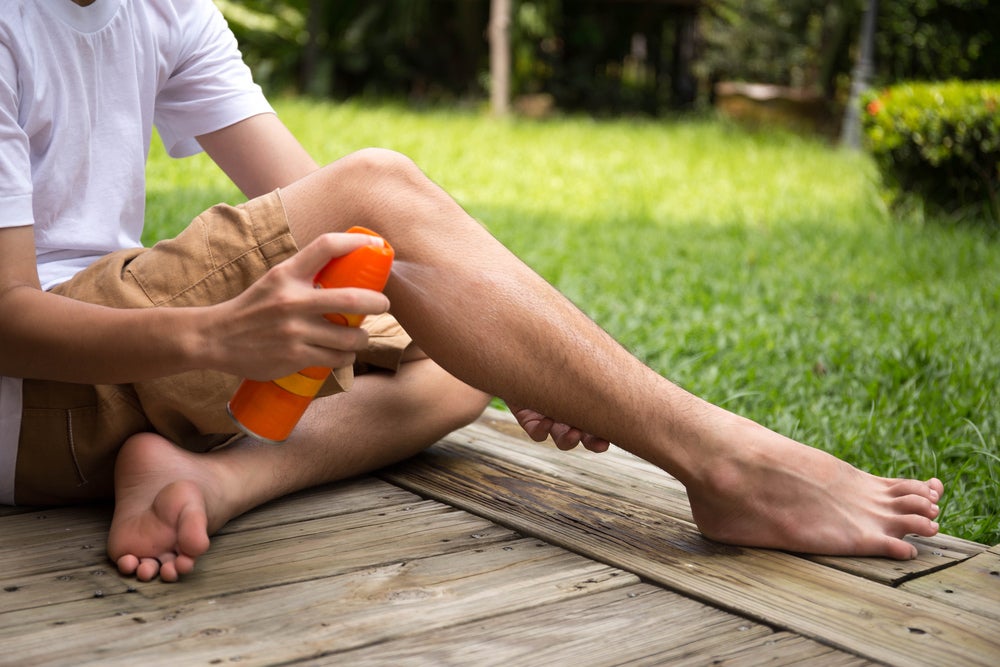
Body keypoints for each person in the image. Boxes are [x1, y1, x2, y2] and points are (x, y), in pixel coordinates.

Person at [0, 0, 943, 583]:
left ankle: (209, 477)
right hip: (26, 408)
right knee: (379, 188)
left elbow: (353, 242)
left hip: (102, 405)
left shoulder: (163, 9)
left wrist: (520, 356)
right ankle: (726, 464)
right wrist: (213, 339)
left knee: (457, 369)